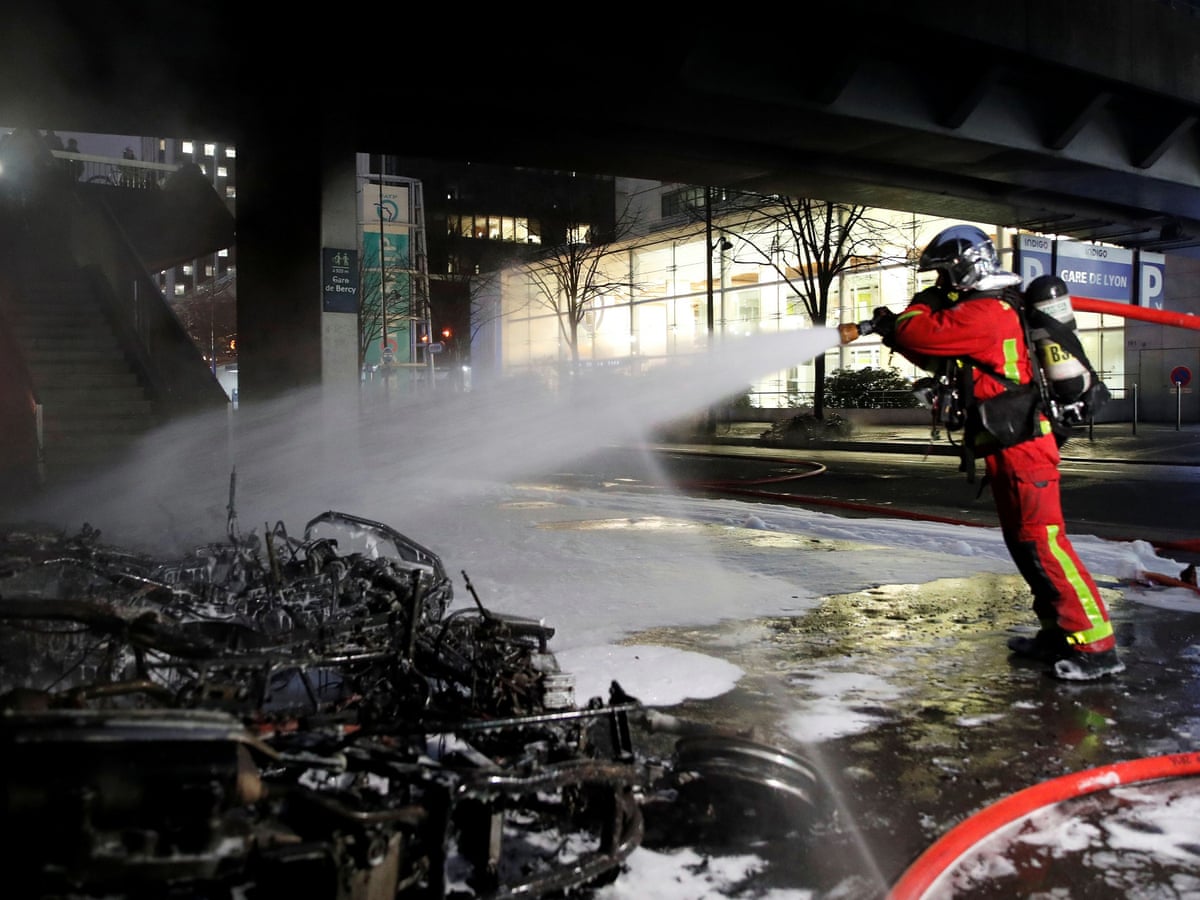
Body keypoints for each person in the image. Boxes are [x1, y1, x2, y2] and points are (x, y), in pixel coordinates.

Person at [838, 225, 1123, 681]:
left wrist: (913, 312)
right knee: (1025, 543)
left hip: (1025, 446)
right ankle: (1057, 633)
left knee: (1045, 543)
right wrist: (894, 330)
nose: (940, 286)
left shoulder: (986, 312)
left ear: (963, 268)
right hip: (1010, 444)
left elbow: (920, 334)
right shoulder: (983, 313)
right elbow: (937, 356)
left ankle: (1096, 644)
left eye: (943, 276)